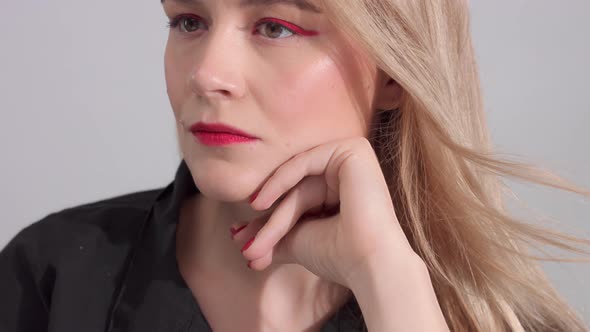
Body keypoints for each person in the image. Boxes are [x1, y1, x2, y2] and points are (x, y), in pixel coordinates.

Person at [1, 0, 589, 331]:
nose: (207, 73)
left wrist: (393, 286)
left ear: (393, 73)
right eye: (189, 22)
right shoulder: (47, 279)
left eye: (276, 26)